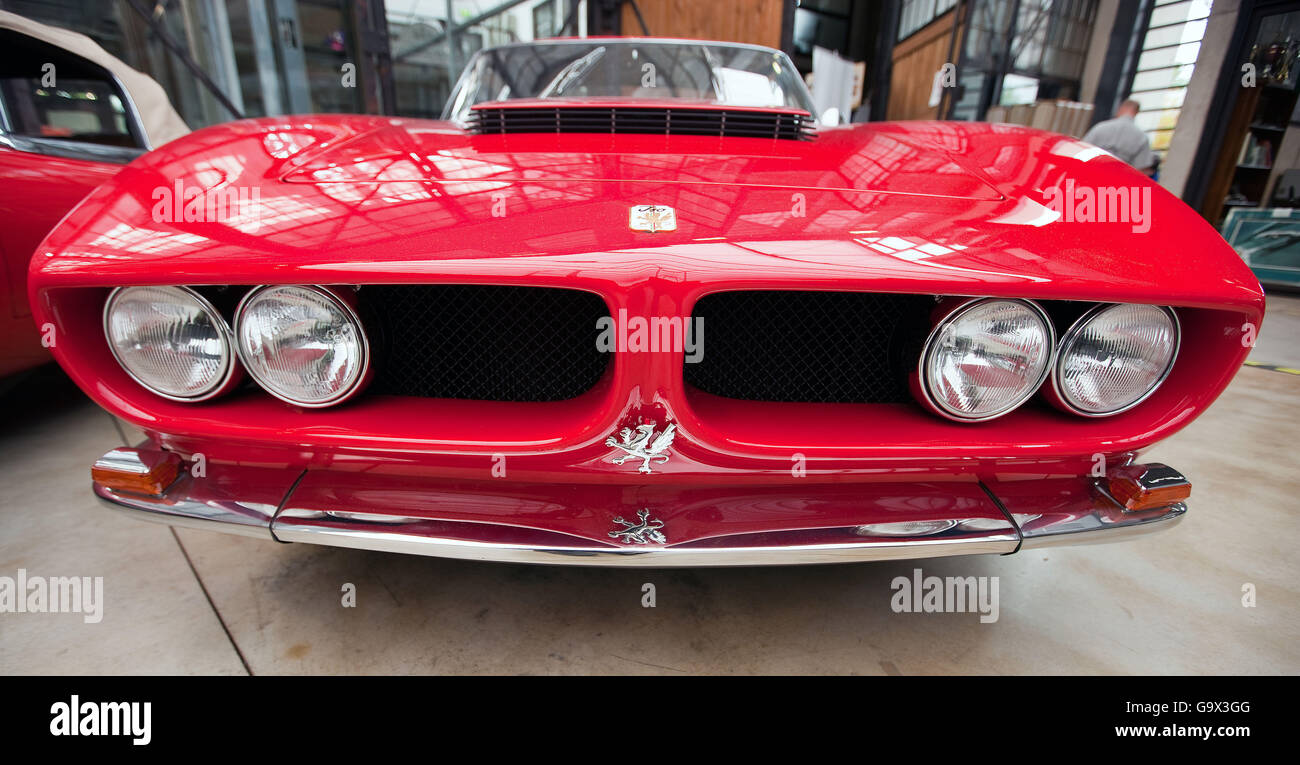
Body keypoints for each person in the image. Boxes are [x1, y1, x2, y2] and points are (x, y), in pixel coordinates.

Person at [1082, 99, 1156, 176]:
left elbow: (1082, 151)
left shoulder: (1100, 127)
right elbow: (1141, 169)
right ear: (1136, 113)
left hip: (1091, 174)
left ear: (1121, 109)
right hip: (1116, 182)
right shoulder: (1142, 137)